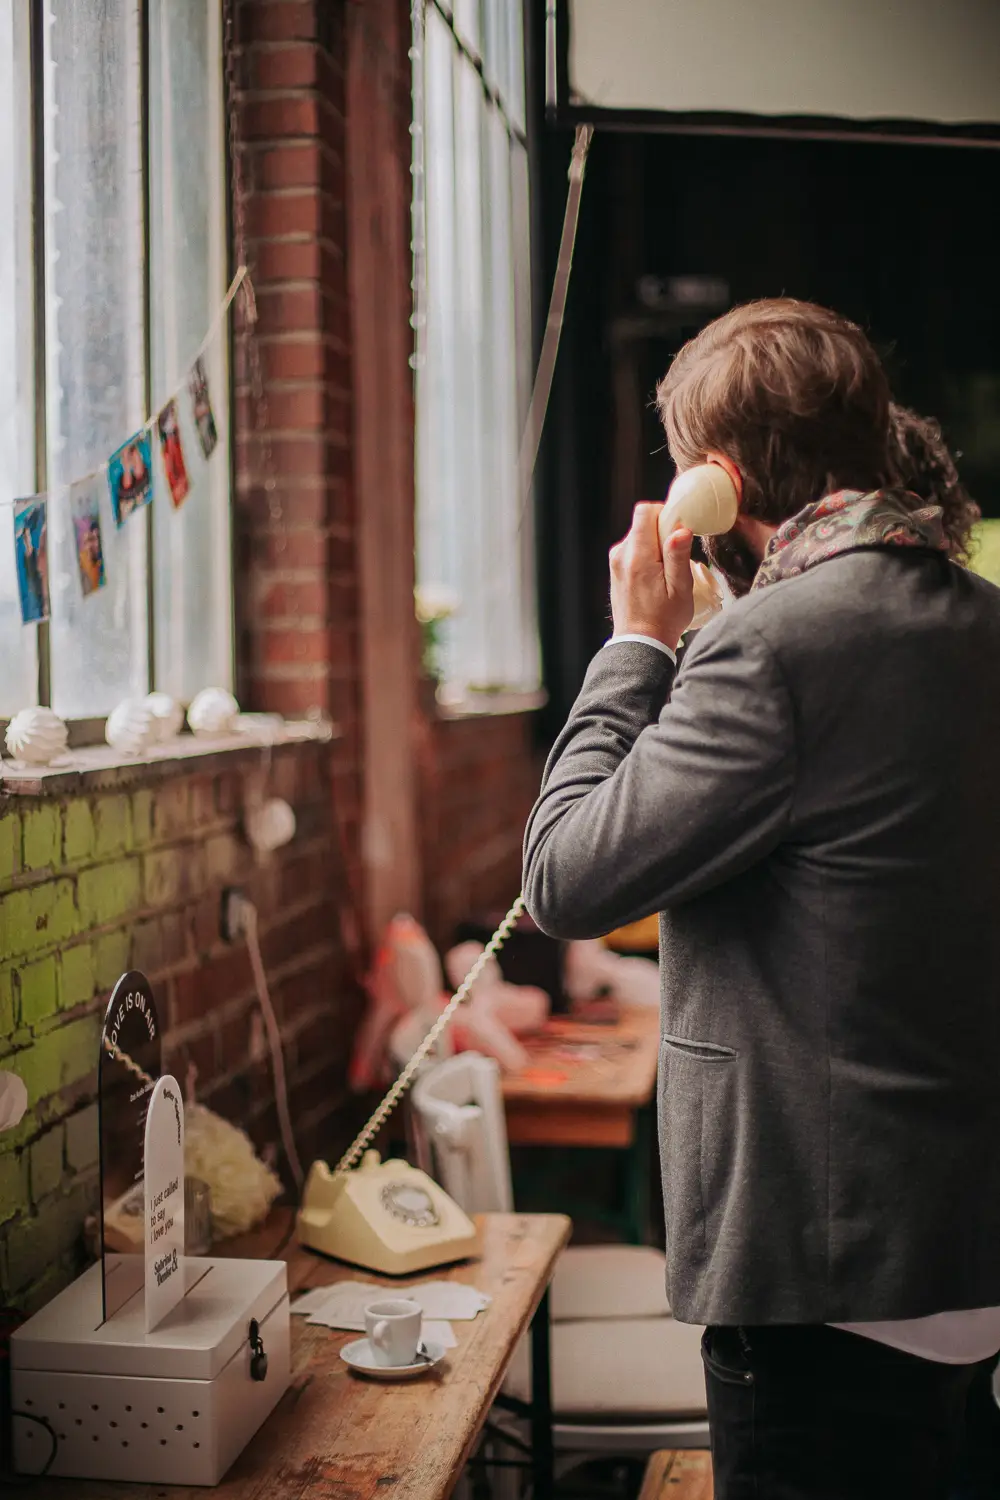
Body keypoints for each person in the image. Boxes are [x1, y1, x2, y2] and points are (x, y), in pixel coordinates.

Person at [522, 298, 1000, 1500]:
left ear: (717, 486)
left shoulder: (773, 650)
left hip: (823, 1276)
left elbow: (565, 879)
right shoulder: (979, 624)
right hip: (962, 1249)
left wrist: (636, 643)